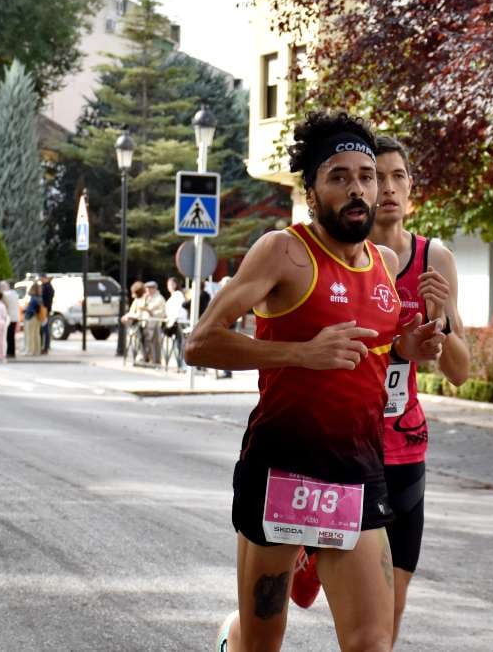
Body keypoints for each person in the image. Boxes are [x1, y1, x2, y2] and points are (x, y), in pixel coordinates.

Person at [186, 111, 444, 652]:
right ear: (311, 192)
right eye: (339, 176)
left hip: (356, 472)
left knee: (372, 642)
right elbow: (201, 342)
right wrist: (301, 353)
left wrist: (407, 347)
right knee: (262, 642)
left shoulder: (384, 261)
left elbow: (366, 349)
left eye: (366, 176)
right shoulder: (283, 251)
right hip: (283, 469)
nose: (357, 189)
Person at [291, 135, 472, 639]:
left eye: (398, 178)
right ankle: (308, 559)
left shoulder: (434, 258)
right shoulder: (341, 256)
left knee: (386, 617)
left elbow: (459, 370)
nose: (387, 189)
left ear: (411, 188)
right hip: (339, 445)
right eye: (379, 177)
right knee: (332, 608)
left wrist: (442, 319)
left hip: (401, 449)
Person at [141, 281, 167, 366]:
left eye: (149, 288)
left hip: (155, 324)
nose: (148, 290)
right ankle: (146, 359)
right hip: (146, 323)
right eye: (147, 289)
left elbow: (162, 312)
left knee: (155, 343)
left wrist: (150, 311)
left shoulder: (159, 298)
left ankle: (156, 361)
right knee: (146, 342)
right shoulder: (147, 297)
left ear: (154, 289)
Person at [164, 278, 186, 371]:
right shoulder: (174, 295)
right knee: (177, 345)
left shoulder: (178, 295)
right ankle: (180, 365)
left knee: (180, 345)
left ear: (175, 285)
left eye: (170, 284)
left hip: (177, 322)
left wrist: (172, 321)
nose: (169, 287)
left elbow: (177, 310)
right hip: (174, 322)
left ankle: (182, 365)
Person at [123, 281, 148, 362]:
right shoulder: (137, 300)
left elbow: (138, 314)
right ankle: (138, 357)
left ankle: (140, 358)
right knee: (136, 343)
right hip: (136, 325)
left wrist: (128, 316)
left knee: (139, 343)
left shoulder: (141, 300)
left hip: (139, 325)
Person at [23, 282, 43, 356]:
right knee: (36, 335)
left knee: (30, 335)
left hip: (31, 317)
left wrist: (25, 309)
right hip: (38, 317)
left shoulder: (33, 298)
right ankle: (37, 350)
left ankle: (30, 351)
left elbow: (31, 309)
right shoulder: (40, 297)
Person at [2, 281, 20, 359]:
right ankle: (11, 352)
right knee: (11, 336)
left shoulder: (6, 295)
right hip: (15, 317)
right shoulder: (15, 294)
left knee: (8, 336)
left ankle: (10, 352)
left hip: (9, 318)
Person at [40, 275, 55, 354]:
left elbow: (45, 299)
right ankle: (46, 346)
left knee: (44, 329)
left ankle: (45, 347)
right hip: (46, 310)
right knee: (45, 329)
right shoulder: (49, 287)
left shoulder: (46, 287)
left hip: (45, 310)